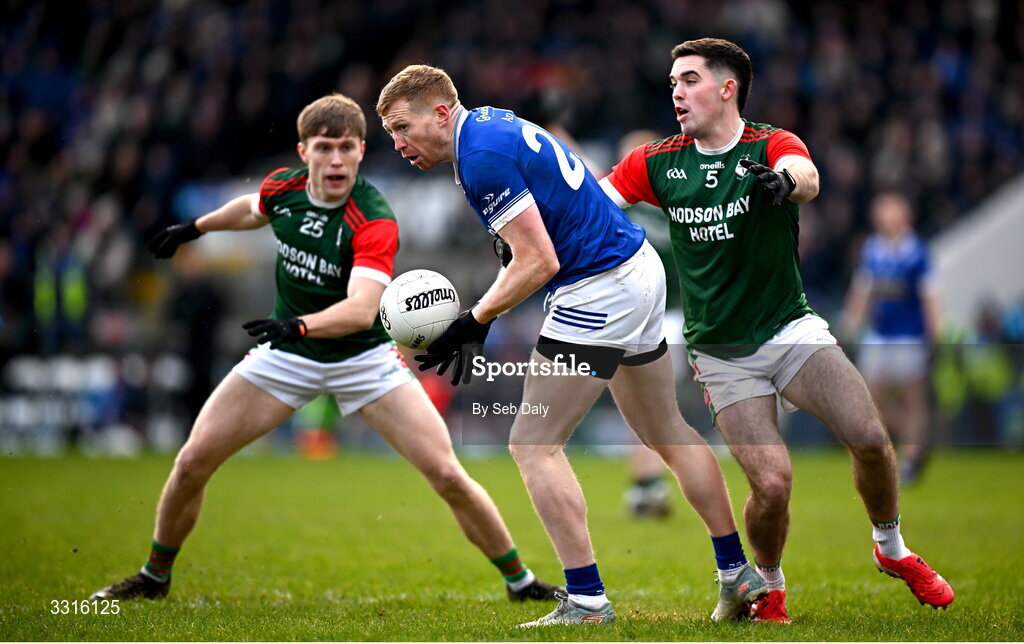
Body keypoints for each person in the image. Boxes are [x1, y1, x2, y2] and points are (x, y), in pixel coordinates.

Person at [89, 93, 560, 604]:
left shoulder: (373, 217)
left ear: (361, 151)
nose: (336, 160)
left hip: (363, 359)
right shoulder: (284, 189)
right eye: (324, 148)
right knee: (192, 462)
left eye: (347, 149)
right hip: (288, 353)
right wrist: (196, 228)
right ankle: (154, 577)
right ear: (303, 151)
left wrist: (299, 325)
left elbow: (362, 309)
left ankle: (521, 582)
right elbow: (252, 209)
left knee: (447, 473)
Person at [376, 65, 767, 627]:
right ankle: (735, 572)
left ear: (440, 114)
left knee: (533, 444)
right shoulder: (488, 126)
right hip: (636, 270)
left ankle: (586, 600)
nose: (397, 142)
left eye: (401, 126)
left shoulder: (480, 156)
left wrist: (474, 319)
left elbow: (540, 261)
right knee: (666, 430)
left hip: (598, 288)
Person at [599, 38, 954, 623]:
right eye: (672, 84)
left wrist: (786, 183)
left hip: (791, 328)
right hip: (720, 351)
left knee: (868, 435)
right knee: (773, 482)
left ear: (726, 87)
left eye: (688, 81)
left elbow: (805, 173)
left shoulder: (770, 145)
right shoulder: (657, 161)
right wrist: (536, 229)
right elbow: (596, 201)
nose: (677, 93)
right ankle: (768, 585)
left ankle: (892, 549)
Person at [841, 192, 942, 485]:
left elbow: (930, 296)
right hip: (880, 335)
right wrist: (850, 324)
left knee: (914, 397)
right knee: (871, 397)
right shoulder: (872, 249)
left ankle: (911, 459)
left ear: (904, 215)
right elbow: (863, 291)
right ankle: (915, 439)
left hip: (909, 336)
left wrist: (934, 333)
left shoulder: (917, 252)